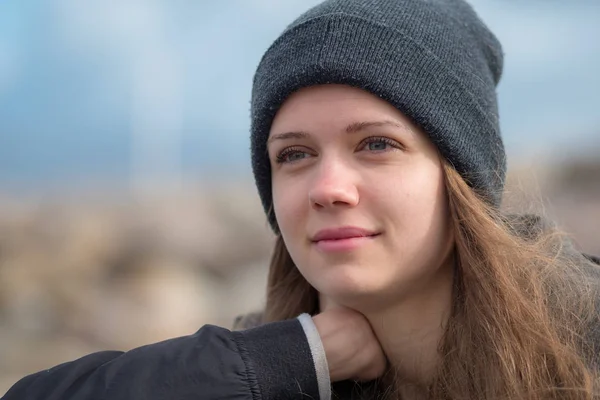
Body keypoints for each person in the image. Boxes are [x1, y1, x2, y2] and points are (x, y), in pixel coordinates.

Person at [3, 0, 600, 399]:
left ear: (462, 179)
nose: (326, 188)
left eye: (375, 144)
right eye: (293, 155)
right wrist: (281, 362)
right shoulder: (267, 362)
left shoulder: (583, 338)